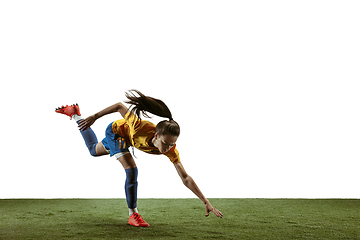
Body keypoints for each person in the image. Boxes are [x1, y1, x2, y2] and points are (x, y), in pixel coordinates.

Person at [55, 90, 223, 227]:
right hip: (116, 132)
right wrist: (95, 117)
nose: (169, 148)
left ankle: (75, 115)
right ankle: (133, 214)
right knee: (132, 170)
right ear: (156, 136)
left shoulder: (171, 150)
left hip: (126, 140)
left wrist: (205, 200)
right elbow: (119, 106)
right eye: (166, 143)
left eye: (173, 144)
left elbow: (185, 178)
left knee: (93, 150)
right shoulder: (138, 126)